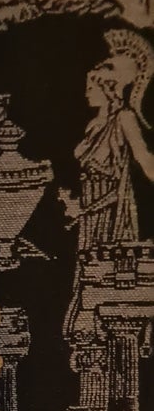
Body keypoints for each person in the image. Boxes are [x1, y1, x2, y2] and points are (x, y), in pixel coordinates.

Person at [64, 29, 154, 251]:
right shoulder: (94, 126)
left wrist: (85, 209)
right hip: (90, 220)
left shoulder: (125, 119)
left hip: (111, 221)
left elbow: (146, 163)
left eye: (92, 85)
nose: (87, 92)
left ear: (109, 88)